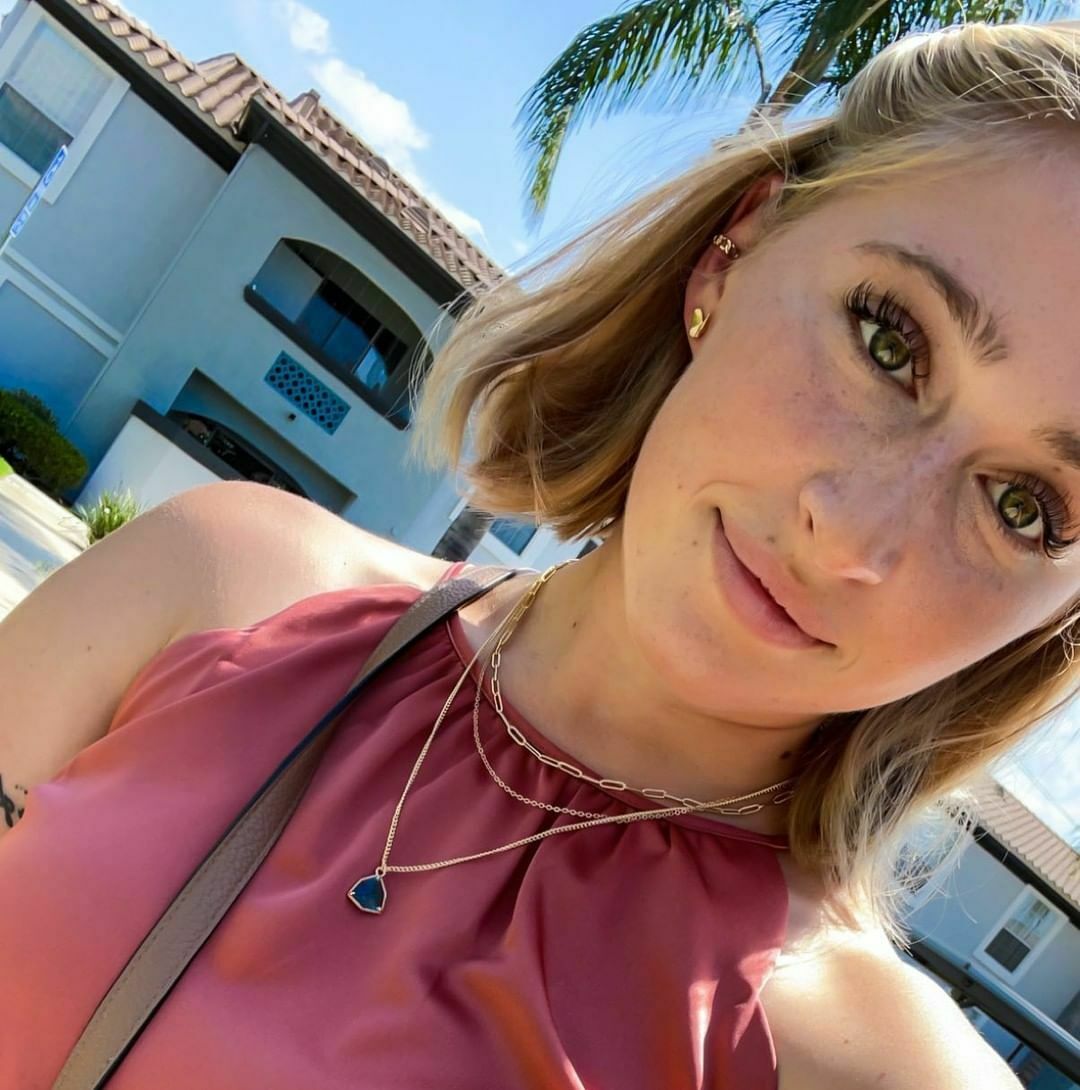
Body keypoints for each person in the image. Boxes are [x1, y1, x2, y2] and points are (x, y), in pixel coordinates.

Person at [2, 17, 1077, 1090]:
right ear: (737, 248)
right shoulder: (220, 584)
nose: (852, 534)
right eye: (888, 340)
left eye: (1023, 506)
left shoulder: (864, 1068)